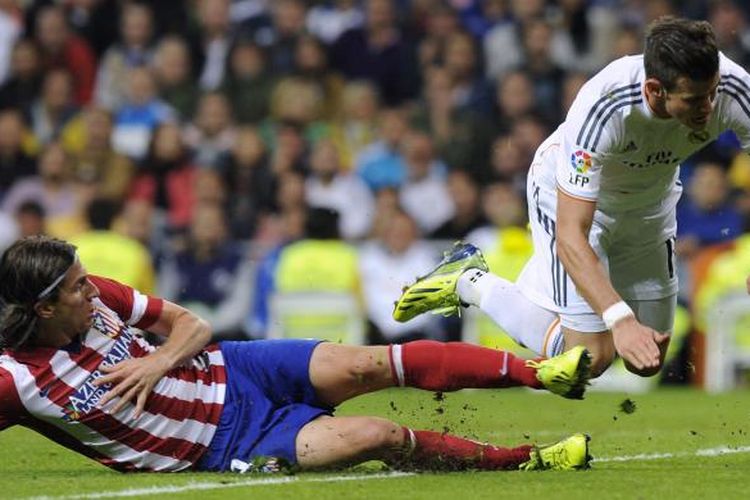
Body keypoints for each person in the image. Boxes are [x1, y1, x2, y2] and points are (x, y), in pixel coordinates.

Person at [0, 235, 591, 473]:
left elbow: (191, 323)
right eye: (77, 287)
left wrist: (157, 361)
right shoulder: (14, 381)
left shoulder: (99, 292)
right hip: (227, 445)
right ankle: (526, 462)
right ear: (45, 309)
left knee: (370, 362)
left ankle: (544, 373)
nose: (91, 287)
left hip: (236, 368)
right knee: (378, 436)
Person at [395, 16, 750, 379]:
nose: (709, 107)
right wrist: (619, 318)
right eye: (694, 100)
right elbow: (571, 234)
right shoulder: (604, 106)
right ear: (655, 89)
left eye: (712, 93)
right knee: (589, 359)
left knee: (648, 358)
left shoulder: (733, 89)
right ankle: (469, 280)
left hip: (649, 206)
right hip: (572, 202)